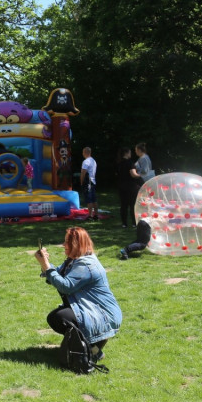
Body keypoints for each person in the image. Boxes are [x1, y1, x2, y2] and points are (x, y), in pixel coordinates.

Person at [34, 226, 122, 362]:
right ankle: (92, 349)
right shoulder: (74, 260)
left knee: (60, 317)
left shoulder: (86, 265)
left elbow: (65, 286)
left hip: (103, 314)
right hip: (93, 310)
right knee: (55, 317)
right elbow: (55, 277)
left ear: (76, 244)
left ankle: (91, 348)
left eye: (66, 242)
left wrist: (46, 266)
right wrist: (46, 263)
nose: (63, 245)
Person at [115, 147, 138, 228]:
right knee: (132, 205)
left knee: (123, 205)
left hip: (121, 186)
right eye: (130, 152)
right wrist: (141, 175)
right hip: (131, 186)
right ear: (126, 153)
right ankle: (134, 223)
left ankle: (124, 223)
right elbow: (133, 174)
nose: (130, 154)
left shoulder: (119, 163)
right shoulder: (130, 163)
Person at [80, 147, 99, 220]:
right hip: (93, 181)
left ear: (85, 153)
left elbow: (83, 172)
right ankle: (96, 215)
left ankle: (90, 215)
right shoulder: (93, 161)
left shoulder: (86, 161)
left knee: (89, 199)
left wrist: (81, 181)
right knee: (94, 199)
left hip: (88, 181)